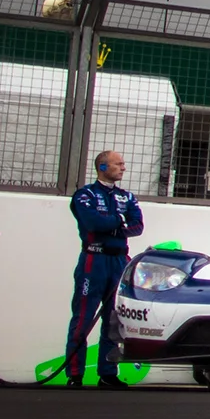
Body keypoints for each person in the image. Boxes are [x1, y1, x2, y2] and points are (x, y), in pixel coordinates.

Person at [64, 150, 143, 388]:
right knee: (83, 318)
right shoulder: (85, 194)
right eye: (118, 164)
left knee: (113, 319)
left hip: (119, 261)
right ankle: (75, 375)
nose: (123, 168)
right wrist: (119, 221)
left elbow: (138, 226)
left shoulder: (127, 196)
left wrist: (112, 222)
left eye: (123, 163)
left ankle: (107, 374)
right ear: (103, 167)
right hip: (93, 260)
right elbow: (93, 223)